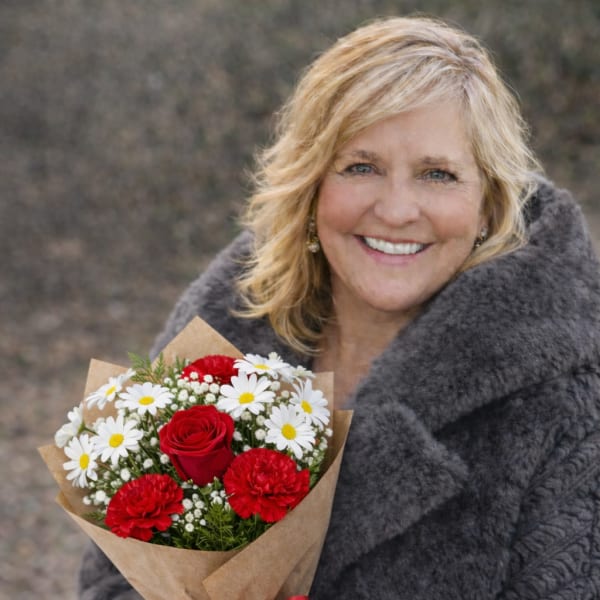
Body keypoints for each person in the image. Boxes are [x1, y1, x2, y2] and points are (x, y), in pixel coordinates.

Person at [79, 15, 600, 600]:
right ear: (310, 187)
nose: (397, 210)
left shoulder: (565, 398)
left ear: (487, 206)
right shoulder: (224, 326)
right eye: (361, 167)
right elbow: (111, 578)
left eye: (437, 174)